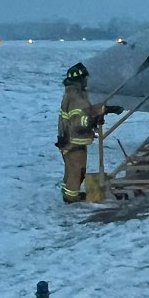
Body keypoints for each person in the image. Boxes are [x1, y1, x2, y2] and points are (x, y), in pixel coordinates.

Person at [55, 63, 123, 203]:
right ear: (81, 79)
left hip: (68, 139)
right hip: (74, 141)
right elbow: (80, 121)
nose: (87, 81)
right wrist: (93, 121)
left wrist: (106, 109)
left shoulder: (73, 94)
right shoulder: (77, 99)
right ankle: (71, 197)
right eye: (85, 78)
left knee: (70, 168)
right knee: (77, 170)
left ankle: (68, 192)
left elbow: (88, 110)